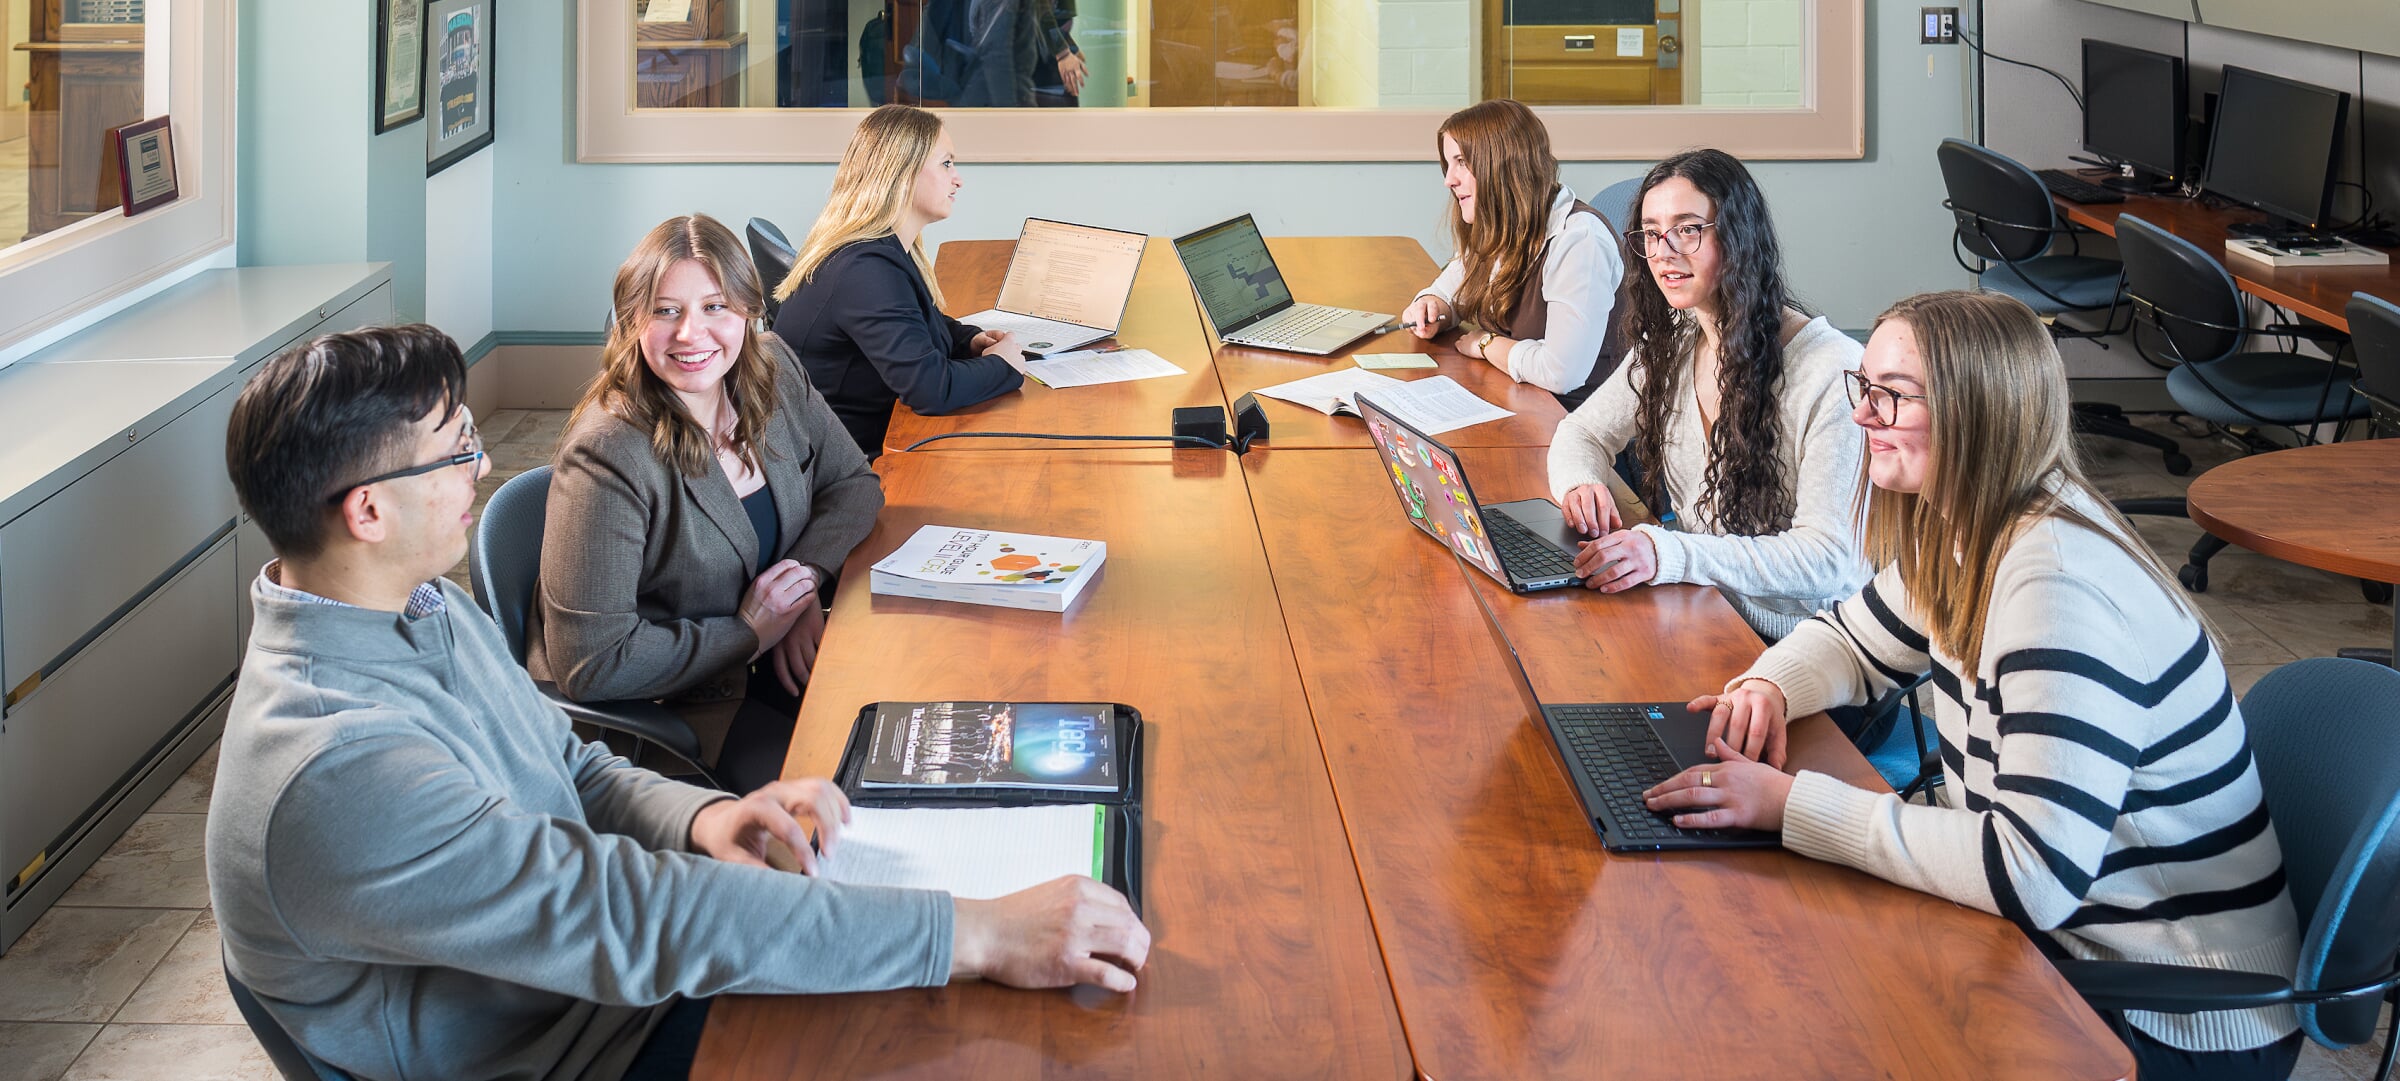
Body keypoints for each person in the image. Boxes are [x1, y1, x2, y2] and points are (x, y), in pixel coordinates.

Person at [209, 325, 1149, 1081]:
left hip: (604, 990)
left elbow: (572, 766)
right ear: (366, 511)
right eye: (454, 450)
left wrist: (711, 819)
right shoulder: (335, 764)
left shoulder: (417, 602)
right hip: (574, 1046)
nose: (481, 468)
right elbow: (631, 915)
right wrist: (977, 930)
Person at [1644, 291, 2302, 1081]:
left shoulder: (2055, 584)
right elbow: (1852, 638)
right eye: (1865, 388)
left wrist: (1793, 806)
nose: (1864, 417)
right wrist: (1771, 686)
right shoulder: (1969, 527)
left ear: (1976, 409)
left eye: (1891, 394)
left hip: (2172, 1007)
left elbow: (2031, 876)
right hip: (2076, 943)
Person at [529, 214, 878, 795]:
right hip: (678, 714)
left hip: (772, 664)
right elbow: (590, 662)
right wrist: (751, 632)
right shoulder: (609, 452)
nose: (692, 333)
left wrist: (800, 585)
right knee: (849, 799)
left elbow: (855, 485)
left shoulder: (772, 373)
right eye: (666, 311)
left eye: (715, 307)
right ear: (631, 321)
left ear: (748, 310)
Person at [1547, 148, 1871, 652]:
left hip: (1811, 650)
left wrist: (1669, 553)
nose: (1663, 251)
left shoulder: (1832, 370)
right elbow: (1581, 432)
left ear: (1738, 236)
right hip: (1708, 612)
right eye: (1652, 233)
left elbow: (1828, 561)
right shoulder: (1676, 337)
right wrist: (1581, 484)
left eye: (1688, 229)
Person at [774, 104, 1024, 456]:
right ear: (903, 173)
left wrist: (970, 341)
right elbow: (930, 391)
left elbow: (920, 321)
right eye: (946, 163)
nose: (958, 178)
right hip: (848, 470)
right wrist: (1004, 366)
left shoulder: (879, 249)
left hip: (859, 443)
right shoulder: (865, 270)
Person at [1400, 98, 1629, 410]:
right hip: (1519, 401)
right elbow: (1449, 291)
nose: (1449, 180)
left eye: (1462, 162)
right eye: (1448, 164)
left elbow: (1561, 373)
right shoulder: (1500, 225)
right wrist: (1432, 306)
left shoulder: (1578, 240)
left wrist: (1486, 343)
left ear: (1502, 164)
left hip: (1577, 425)